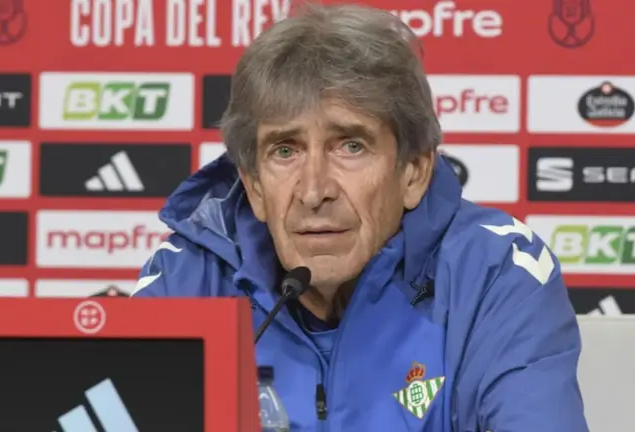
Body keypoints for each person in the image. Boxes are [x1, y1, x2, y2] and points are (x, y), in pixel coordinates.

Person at [132, 3, 589, 431]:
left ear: (413, 171)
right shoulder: (190, 277)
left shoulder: (493, 272)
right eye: (285, 151)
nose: (314, 192)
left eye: (351, 146)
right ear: (253, 186)